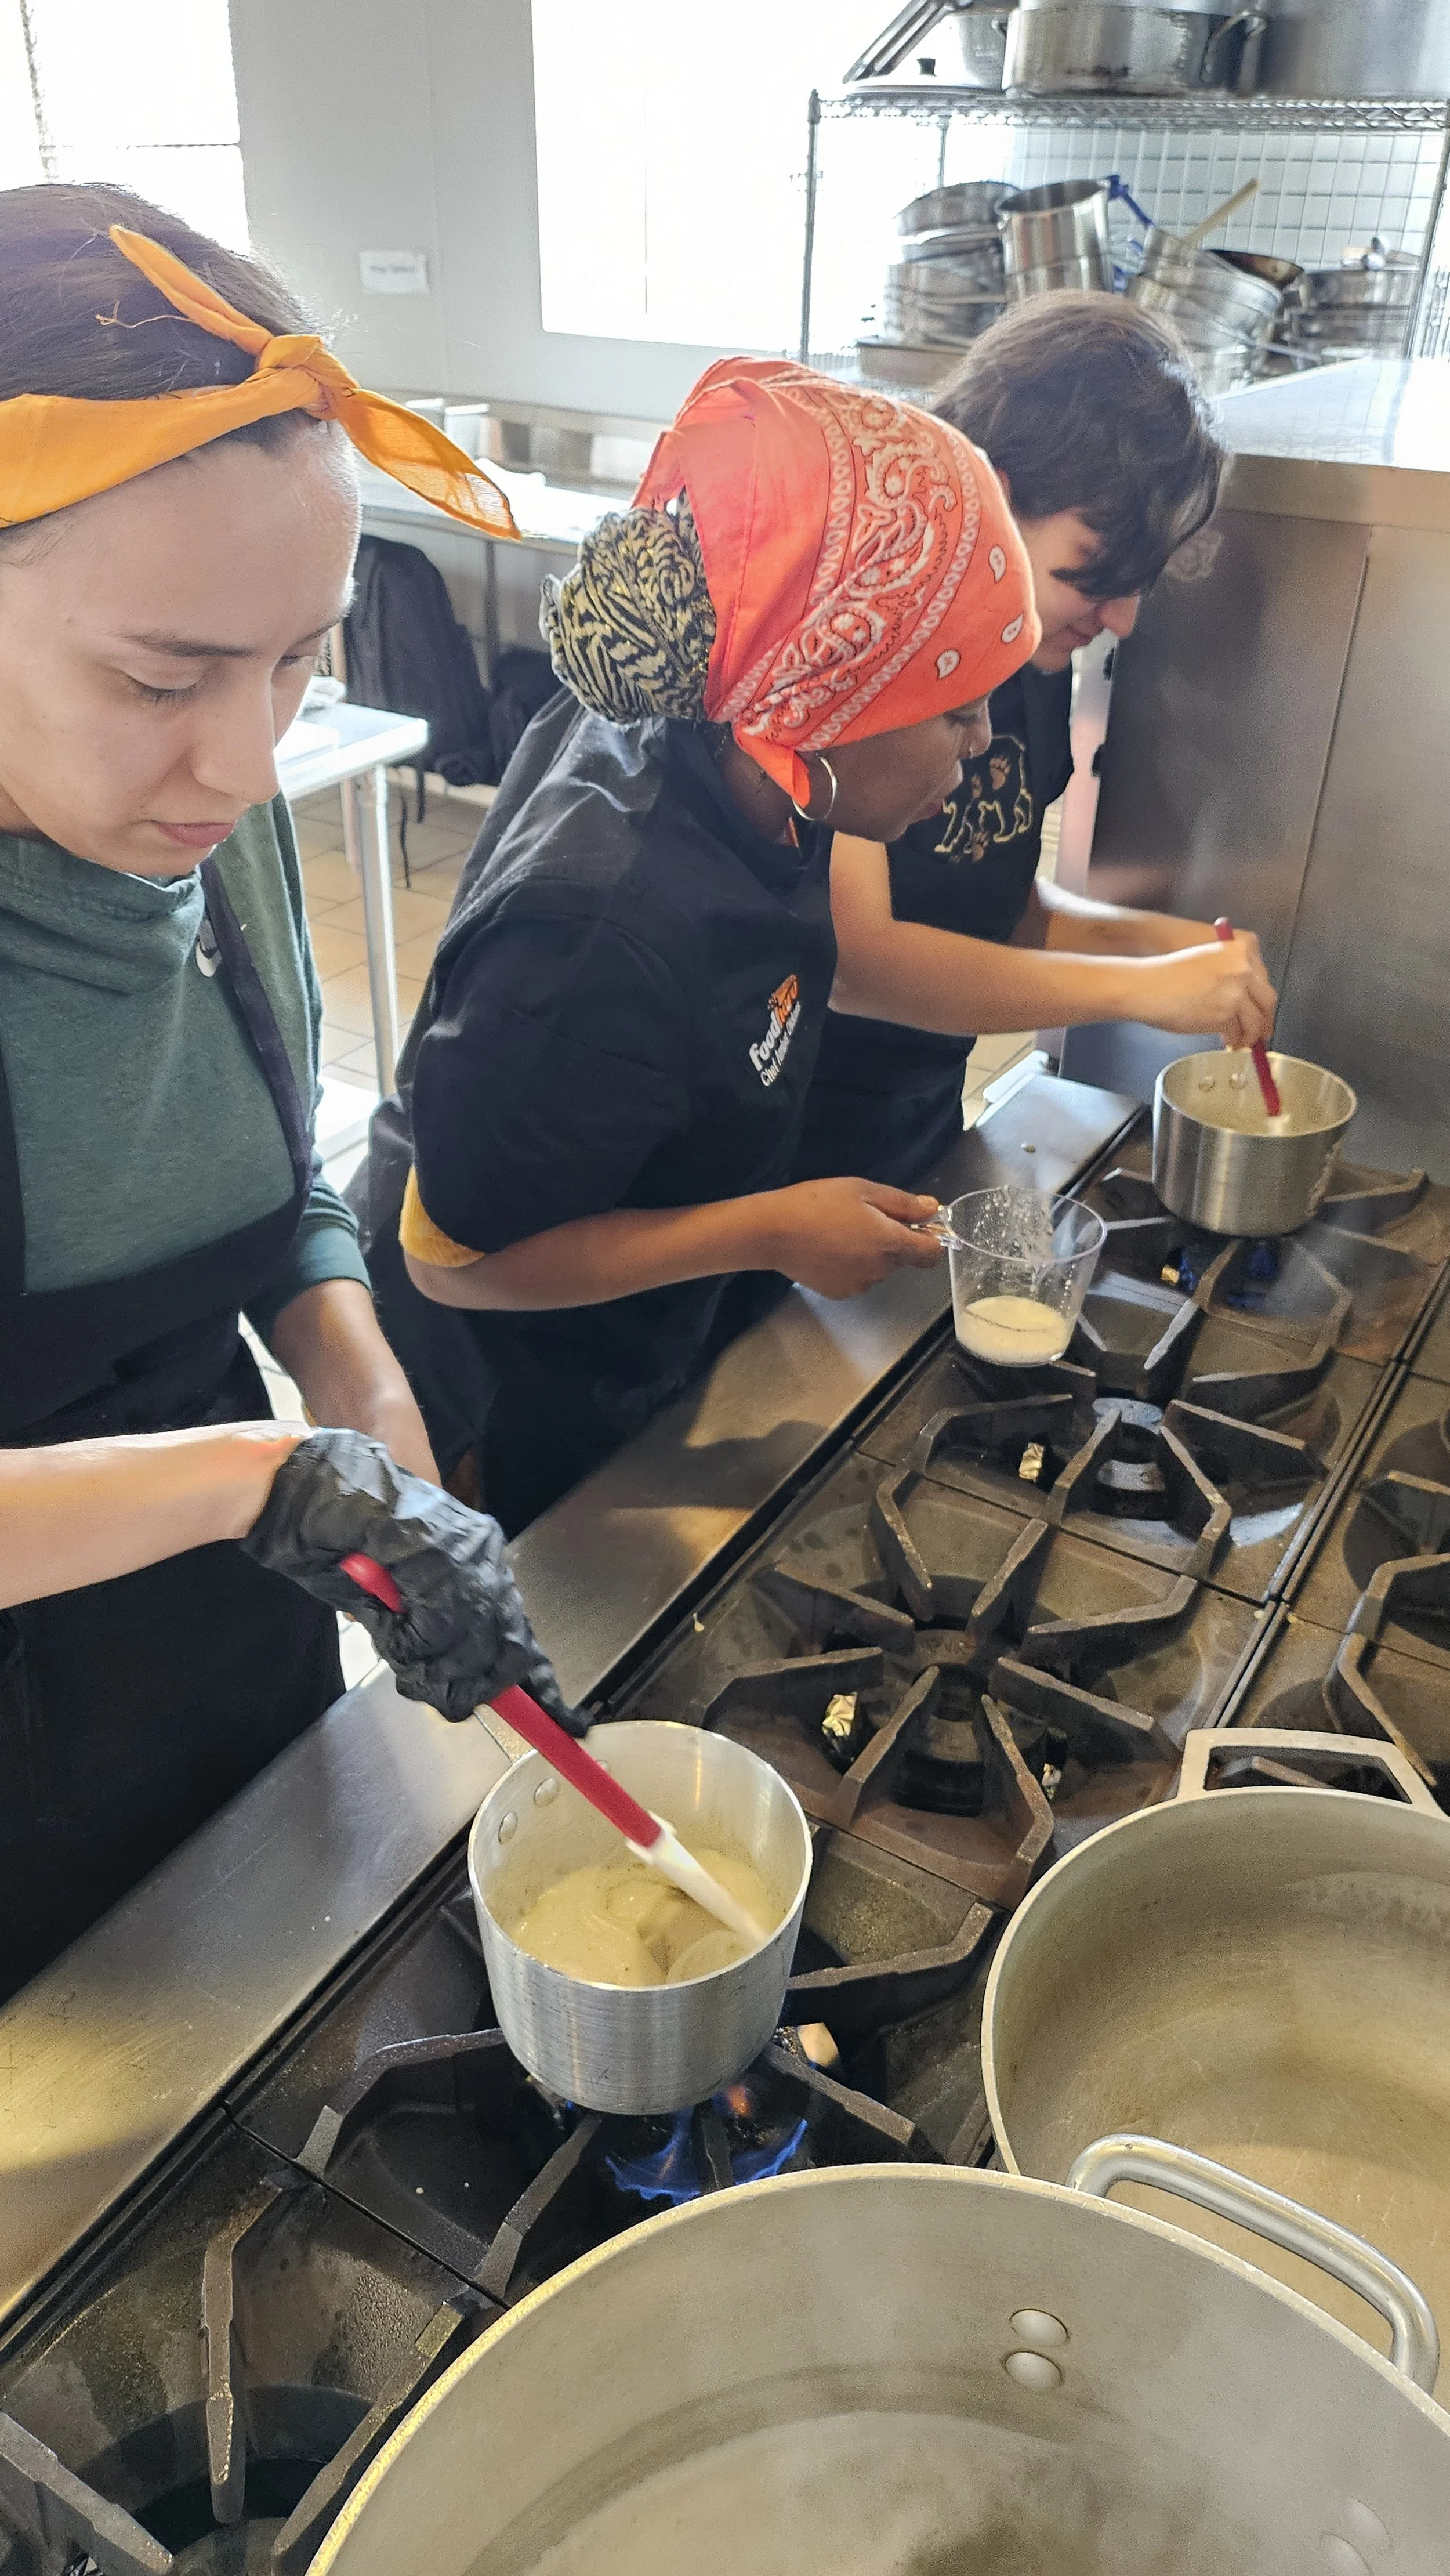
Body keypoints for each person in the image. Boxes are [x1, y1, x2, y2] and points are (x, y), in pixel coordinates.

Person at [0, 182, 553, 1999]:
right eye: (164, 677)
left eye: (300, 657)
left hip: (199, 1630)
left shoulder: (197, 831)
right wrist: (267, 1472)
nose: (247, 761)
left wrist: (353, 1374)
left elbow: (275, 1178)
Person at [354, 358, 1043, 1535]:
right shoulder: (600, 932)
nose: (980, 748)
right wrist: (770, 1227)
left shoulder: (756, 749)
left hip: (633, 1288)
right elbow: (452, 1261)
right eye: (958, 709)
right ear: (833, 690)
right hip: (511, 1365)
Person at [792, 295, 1279, 1190]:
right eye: (1092, 578)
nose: (1122, 620)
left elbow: (986, 891)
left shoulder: (1026, 657)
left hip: (914, 1121)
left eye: (1139, 585)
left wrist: (1157, 944)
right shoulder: (860, 643)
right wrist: (1139, 994)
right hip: (784, 1150)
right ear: (994, 491)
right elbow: (856, 961)